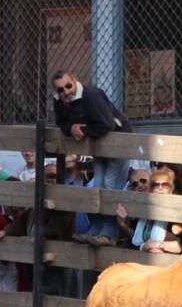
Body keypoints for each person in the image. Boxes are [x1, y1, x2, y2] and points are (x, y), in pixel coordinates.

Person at [51, 70, 133, 235]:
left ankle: (109, 232)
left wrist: (84, 130)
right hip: (98, 146)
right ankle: (96, 229)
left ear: (75, 80)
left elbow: (107, 124)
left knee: (110, 187)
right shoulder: (59, 101)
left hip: (118, 142)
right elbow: (61, 123)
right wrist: (72, 128)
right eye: (60, 89)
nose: (66, 92)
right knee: (97, 187)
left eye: (68, 86)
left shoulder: (92, 95)